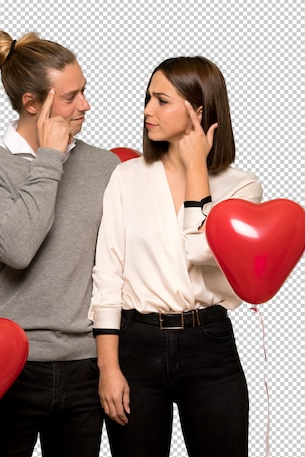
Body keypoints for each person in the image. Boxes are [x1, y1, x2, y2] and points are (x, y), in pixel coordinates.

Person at [88, 56, 263, 457]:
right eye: (148, 97)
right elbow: (108, 276)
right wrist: (108, 368)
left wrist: (196, 167)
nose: (147, 110)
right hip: (135, 346)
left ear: (197, 111)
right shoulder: (126, 176)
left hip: (209, 346)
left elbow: (201, 249)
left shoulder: (241, 187)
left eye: (162, 100)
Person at [0, 30, 120, 457]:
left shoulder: (104, 165)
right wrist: (50, 158)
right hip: (8, 367)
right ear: (33, 104)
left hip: (84, 368)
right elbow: (17, 248)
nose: (85, 104)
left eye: (84, 91)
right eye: (70, 97)